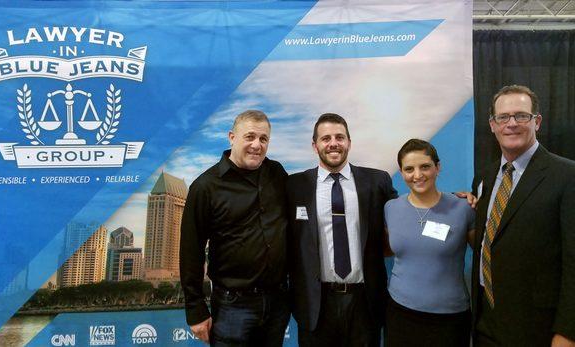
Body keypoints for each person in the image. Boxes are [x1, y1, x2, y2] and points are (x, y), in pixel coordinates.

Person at [471, 85, 575, 346]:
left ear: (537, 122)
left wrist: (567, 333)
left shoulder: (567, 176)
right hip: (485, 321)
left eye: (521, 116)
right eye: (503, 117)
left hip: (537, 328)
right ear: (493, 125)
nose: (512, 124)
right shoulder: (484, 176)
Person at [286, 113, 397, 346]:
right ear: (315, 145)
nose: (333, 143)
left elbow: (409, 210)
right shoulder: (295, 186)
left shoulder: (377, 181)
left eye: (339, 137)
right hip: (316, 304)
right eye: (325, 138)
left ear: (349, 142)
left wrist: (457, 201)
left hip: (365, 303)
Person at [179, 110, 290, 346]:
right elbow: (191, 250)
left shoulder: (277, 173)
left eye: (263, 139)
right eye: (249, 137)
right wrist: (195, 309)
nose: (256, 145)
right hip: (233, 306)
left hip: (277, 302)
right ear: (232, 137)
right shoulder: (205, 186)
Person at [383, 139, 475, 347]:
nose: (417, 175)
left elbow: (484, 255)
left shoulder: (463, 208)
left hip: (449, 319)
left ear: (437, 167)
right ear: (401, 172)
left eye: (425, 166)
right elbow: (389, 249)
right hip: (400, 314)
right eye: (409, 169)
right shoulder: (390, 208)